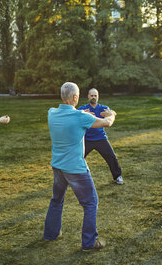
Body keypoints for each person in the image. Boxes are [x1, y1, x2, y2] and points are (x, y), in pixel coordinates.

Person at [43, 82, 116, 251]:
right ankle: (90, 242)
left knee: (57, 199)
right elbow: (107, 123)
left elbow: (72, 115)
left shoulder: (51, 113)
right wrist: (111, 114)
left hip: (58, 166)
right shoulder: (81, 118)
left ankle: (51, 234)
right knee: (91, 202)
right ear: (75, 97)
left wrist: (81, 113)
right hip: (75, 168)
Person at [78, 88, 123, 185]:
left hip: (100, 138)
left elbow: (113, 113)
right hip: (86, 139)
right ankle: (71, 178)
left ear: (98, 97)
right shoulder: (83, 108)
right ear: (88, 96)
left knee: (111, 157)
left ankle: (118, 176)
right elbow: (74, 116)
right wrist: (83, 114)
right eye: (91, 95)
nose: (93, 97)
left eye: (95, 96)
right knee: (77, 158)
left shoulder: (103, 108)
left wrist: (110, 114)